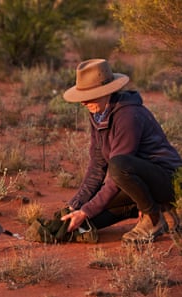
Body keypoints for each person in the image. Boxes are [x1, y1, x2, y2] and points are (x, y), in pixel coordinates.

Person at [60, 58, 182, 244]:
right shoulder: (98, 114)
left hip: (168, 182)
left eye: (89, 96)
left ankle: (154, 218)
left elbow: (119, 171)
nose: (83, 103)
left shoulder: (128, 115)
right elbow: (97, 167)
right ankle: (157, 209)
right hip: (137, 184)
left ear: (105, 92)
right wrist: (75, 206)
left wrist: (87, 210)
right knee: (82, 224)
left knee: (118, 165)